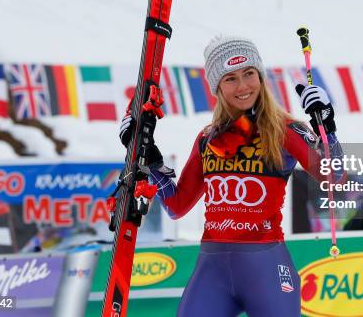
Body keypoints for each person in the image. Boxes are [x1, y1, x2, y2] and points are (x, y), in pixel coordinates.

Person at [120, 35, 343, 316]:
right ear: (217, 87)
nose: (243, 86)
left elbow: (334, 181)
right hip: (212, 269)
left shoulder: (284, 130)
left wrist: (327, 126)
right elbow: (176, 206)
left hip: (265, 266)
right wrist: (149, 156)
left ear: (260, 77)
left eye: (249, 74)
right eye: (231, 78)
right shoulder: (208, 138)